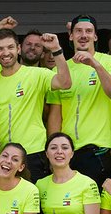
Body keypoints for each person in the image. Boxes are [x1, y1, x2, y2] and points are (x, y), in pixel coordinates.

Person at [0, 25, 72, 182]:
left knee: (33, 204)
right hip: (3, 157)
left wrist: (56, 49)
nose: (6, 53)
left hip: (32, 154)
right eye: (0, 49)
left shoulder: (37, 74)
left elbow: (65, 82)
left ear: (18, 49)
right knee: (5, 205)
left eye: (10, 47)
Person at [45, 15, 111, 186]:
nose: (84, 35)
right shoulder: (60, 69)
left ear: (95, 36)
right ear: (70, 36)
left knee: (98, 210)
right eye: (78, 31)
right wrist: (53, 150)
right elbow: (55, 115)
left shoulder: (108, 62)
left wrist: (95, 64)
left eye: (89, 31)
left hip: (99, 150)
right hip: (68, 154)